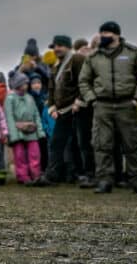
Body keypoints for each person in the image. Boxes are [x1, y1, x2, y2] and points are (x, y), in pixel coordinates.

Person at [78, 21, 137, 195]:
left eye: (107, 33)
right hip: (102, 105)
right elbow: (84, 81)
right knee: (101, 144)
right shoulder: (93, 57)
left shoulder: (132, 53)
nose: (103, 36)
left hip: (126, 104)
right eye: (101, 32)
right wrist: (92, 99)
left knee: (132, 144)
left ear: (116, 35)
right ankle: (104, 180)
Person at [36, 35, 91, 186]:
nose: (57, 49)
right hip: (62, 110)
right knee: (56, 143)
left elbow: (84, 80)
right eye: (55, 46)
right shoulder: (55, 66)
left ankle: (87, 175)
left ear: (68, 46)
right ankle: (51, 175)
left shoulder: (77, 59)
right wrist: (52, 105)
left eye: (60, 45)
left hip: (79, 108)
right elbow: (52, 88)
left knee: (82, 143)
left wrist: (79, 101)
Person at [5, 72, 45, 186]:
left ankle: (36, 175)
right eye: (23, 83)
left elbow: (36, 115)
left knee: (35, 153)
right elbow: (9, 116)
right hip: (17, 131)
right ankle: (23, 176)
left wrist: (40, 131)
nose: (26, 86)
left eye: (26, 83)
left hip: (32, 130)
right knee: (19, 155)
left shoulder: (30, 98)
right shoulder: (10, 98)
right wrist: (13, 135)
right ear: (17, 84)